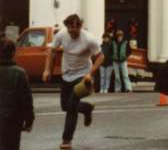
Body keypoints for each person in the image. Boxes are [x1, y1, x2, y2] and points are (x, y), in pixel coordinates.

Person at [43, 14, 104, 150]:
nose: (71, 31)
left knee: (71, 107)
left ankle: (66, 140)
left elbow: (100, 57)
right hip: (66, 74)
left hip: (82, 75)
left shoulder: (89, 39)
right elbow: (51, 51)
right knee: (65, 106)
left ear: (80, 26)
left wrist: (90, 73)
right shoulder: (62, 34)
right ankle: (86, 108)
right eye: (69, 28)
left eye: (74, 28)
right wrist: (47, 70)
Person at [0, 37, 34, 150]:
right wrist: (29, 120)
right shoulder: (20, 73)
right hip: (13, 120)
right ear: (13, 53)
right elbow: (27, 99)